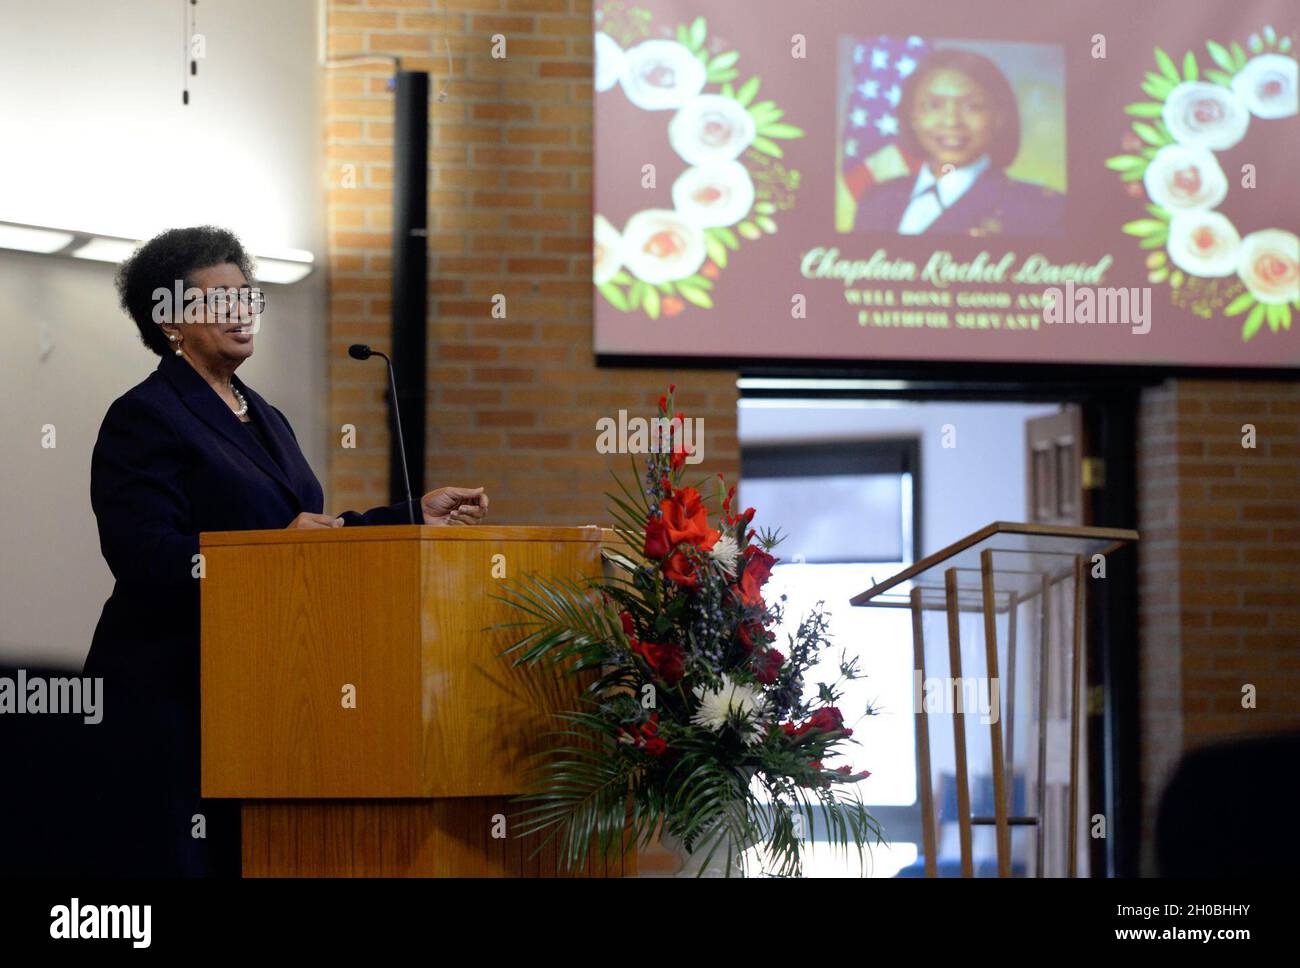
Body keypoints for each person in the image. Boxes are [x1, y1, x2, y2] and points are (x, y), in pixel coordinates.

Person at [83, 225, 489, 876]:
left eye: (249, 296)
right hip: (174, 696)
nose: (242, 310)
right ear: (170, 323)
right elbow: (147, 558)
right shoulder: (146, 415)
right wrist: (269, 552)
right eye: (220, 300)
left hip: (268, 691)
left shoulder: (264, 415)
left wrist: (414, 516)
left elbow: (309, 535)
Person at [853, 48, 1064, 237]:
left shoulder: (1041, 212)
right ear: (912, 116)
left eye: (972, 107)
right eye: (933, 105)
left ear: (999, 117)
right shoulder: (877, 201)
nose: (951, 121)